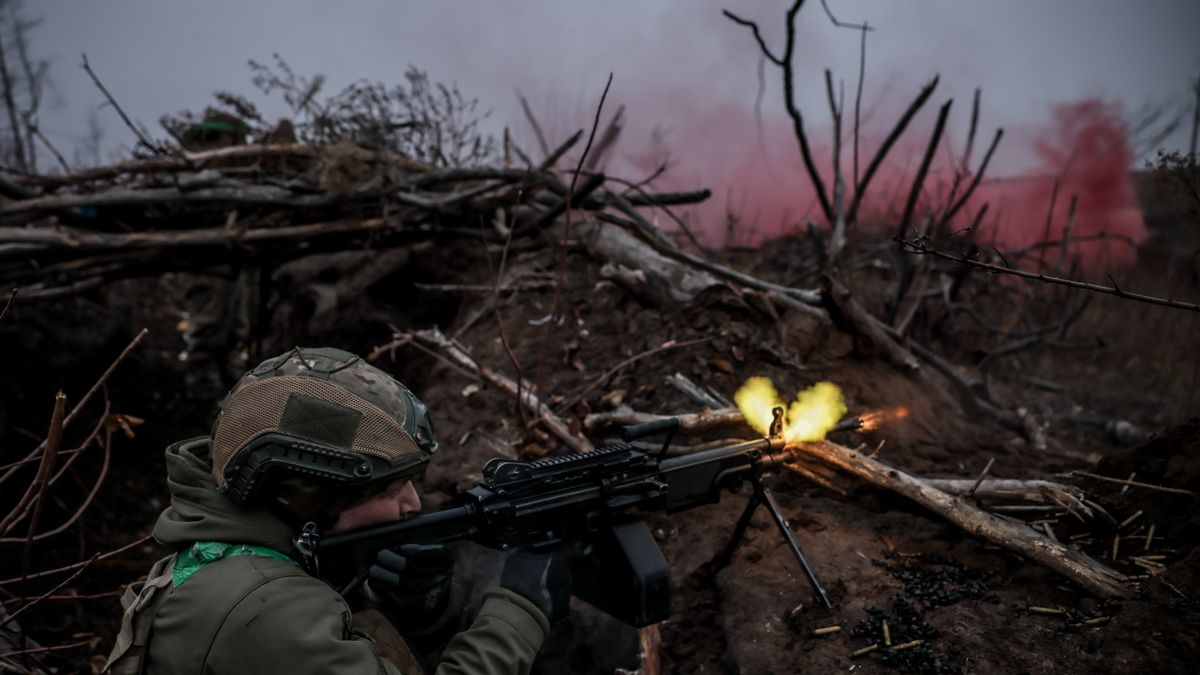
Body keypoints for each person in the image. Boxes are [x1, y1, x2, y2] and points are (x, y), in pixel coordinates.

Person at [104, 347, 572, 675]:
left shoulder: (244, 561)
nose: (412, 504)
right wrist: (520, 611)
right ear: (308, 495)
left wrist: (420, 610)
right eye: (389, 490)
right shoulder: (263, 607)